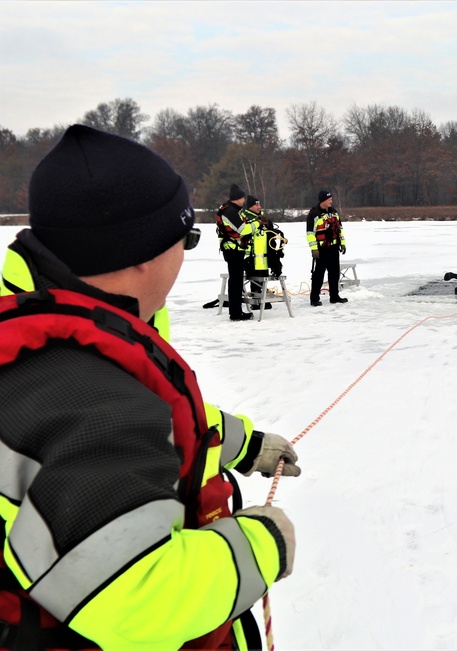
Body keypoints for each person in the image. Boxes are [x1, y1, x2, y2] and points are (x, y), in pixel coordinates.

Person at [0, 125, 299, 650]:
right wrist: (263, 545)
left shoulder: (48, 321)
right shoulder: (92, 398)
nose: (185, 255)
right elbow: (138, 599)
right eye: (185, 239)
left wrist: (243, 443)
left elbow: (154, 421)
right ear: (140, 253)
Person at [240, 196, 287, 309]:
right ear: (250, 206)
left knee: (263, 276)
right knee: (254, 278)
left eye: (259, 204)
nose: (259, 207)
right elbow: (244, 231)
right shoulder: (245, 217)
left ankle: (262, 298)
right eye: (256, 205)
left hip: (264, 255)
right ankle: (256, 301)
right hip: (250, 255)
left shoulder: (262, 217)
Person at [216, 183, 252, 321]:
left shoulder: (233, 210)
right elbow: (243, 230)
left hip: (236, 250)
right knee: (235, 281)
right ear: (237, 198)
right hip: (233, 251)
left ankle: (237, 311)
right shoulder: (230, 212)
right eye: (243, 198)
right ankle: (236, 313)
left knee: (237, 281)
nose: (244, 201)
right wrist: (255, 225)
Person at [306, 190, 348, 306]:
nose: (331, 201)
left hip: (334, 248)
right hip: (321, 249)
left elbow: (340, 229)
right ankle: (314, 298)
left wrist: (342, 243)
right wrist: (314, 249)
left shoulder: (334, 212)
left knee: (334, 273)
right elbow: (310, 233)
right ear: (323, 200)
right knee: (318, 275)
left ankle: (334, 296)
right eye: (329, 199)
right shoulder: (313, 214)